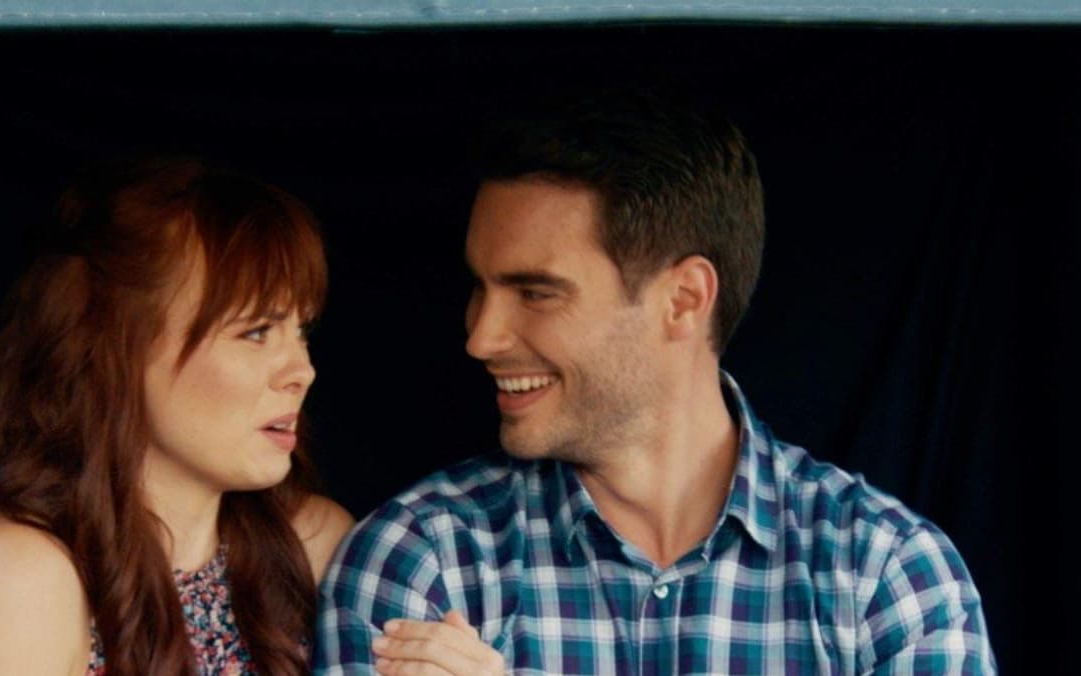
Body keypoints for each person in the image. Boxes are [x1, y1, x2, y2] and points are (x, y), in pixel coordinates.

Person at [314, 92, 995, 674]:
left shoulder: (885, 574)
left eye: (536, 293)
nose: (481, 337)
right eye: (480, 287)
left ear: (683, 300)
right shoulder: (420, 559)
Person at [0, 157, 355, 676]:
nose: (302, 371)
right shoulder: (19, 575)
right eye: (256, 332)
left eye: (301, 330)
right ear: (120, 349)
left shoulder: (313, 545)